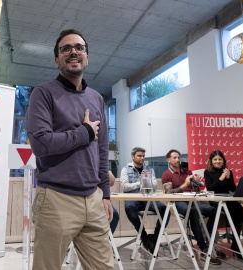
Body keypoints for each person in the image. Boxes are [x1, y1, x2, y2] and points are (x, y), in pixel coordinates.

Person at [25, 29, 113, 270]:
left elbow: (102, 149)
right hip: (56, 199)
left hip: (93, 200)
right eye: (66, 48)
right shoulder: (43, 94)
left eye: (79, 47)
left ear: (87, 56)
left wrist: (105, 193)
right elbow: (41, 144)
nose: (73, 51)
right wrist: (83, 133)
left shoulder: (96, 98)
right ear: (57, 59)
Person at [162, 149, 223, 265]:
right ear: (168, 160)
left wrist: (195, 185)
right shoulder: (166, 174)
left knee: (213, 210)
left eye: (179, 157)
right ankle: (203, 249)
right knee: (193, 211)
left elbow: (195, 190)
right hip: (178, 202)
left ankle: (209, 245)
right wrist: (185, 184)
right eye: (175, 158)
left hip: (192, 200)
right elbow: (168, 192)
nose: (178, 160)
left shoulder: (187, 171)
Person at [120, 147, 168, 253]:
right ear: (133, 157)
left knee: (165, 209)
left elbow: (155, 187)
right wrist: (142, 182)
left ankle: (154, 238)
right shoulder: (125, 169)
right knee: (129, 208)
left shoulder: (150, 169)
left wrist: (148, 179)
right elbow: (125, 187)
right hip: (132, 198)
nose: (142, 158)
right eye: (139, 156)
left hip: (148, 198)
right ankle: (144, 236)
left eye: (143, 156)